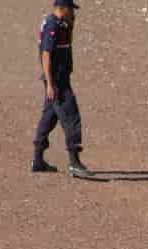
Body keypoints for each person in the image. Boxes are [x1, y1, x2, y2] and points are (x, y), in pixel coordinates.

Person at [32, 0, 93, 178]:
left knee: (49, 117)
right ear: (63, 8)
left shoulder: (60, 24)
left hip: (58, 78)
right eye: (70, 9)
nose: (72, 13)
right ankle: (74, 162)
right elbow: (46, 54)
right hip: (57, 80)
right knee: (71, 115)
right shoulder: (53, 24)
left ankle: (38, 159)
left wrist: (71, 23)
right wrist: (50, 83)